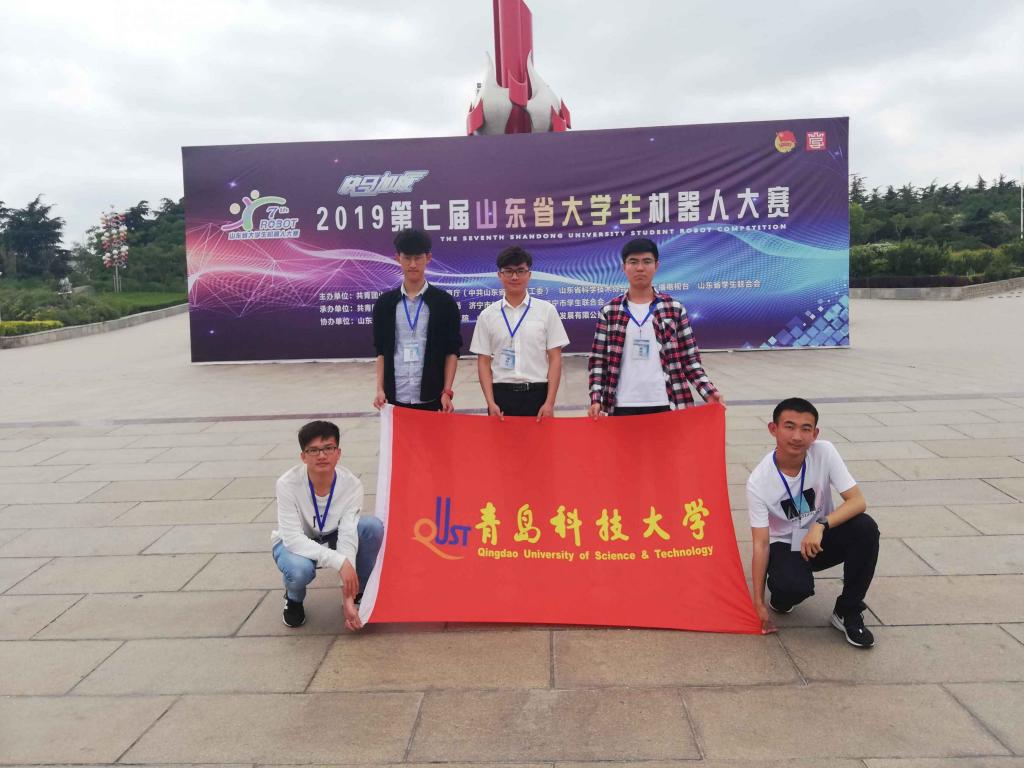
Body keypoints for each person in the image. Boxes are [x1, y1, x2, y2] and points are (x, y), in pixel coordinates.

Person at [746, 398, 880, 647]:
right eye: (789, 426)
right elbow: (761, 544)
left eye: (805, 428)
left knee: (865, 528)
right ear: (773, 429)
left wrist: (820, 525)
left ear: (815, 434)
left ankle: (847, 610)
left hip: (820, 538)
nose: (797, 436)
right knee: (790, 588)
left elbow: (857, 501)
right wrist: (758, 603)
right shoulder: (758, 482)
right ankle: (782, 595)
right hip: (785, 544)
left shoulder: (824, 452)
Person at [588, 238, 724, 417]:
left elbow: (689, 360)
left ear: (656, 266)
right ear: (624, 267)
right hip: (621, 403)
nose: (640, 268)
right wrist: (596, 398)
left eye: (647, 261)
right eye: (633, 262)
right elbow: (599, 360)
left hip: (668, 402)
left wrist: (709, 392)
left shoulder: (674, 308)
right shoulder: (610, 311)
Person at [271, 420, 384, 630]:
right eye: (313, 450)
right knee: (299, 570)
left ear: (338, 453)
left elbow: (348, 534)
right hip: (296, 543)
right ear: (303, 456)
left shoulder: (351, 484)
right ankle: (294, 599)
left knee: (371, 527)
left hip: (334, 535)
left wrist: (346, 597)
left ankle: (358, 592)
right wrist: (340, 562)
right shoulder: (287, 484)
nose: (322, 455)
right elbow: (293, 538)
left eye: (328, 448)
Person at [470, 245, 569, 419]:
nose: (515, 277)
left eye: (520, 271)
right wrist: (490, 403)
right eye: (509, 271)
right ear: (500, 275)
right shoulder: (487, 315)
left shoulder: (547, 311)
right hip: (501, 395)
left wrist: (549, 403)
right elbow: (483, 362)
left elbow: (555, 358)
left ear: (529, 274)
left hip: (537, 394)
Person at [372, 228, 462, 412]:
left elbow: (452, 351)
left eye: (418, 258)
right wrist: (380, 389)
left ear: (428, 258)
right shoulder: (385, 304)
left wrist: (447, 391)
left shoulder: (444, 303)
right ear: (398, 258)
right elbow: (381, 352)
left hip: (432, 396)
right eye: (407, 258)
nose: (412, 264)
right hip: (395, 396)